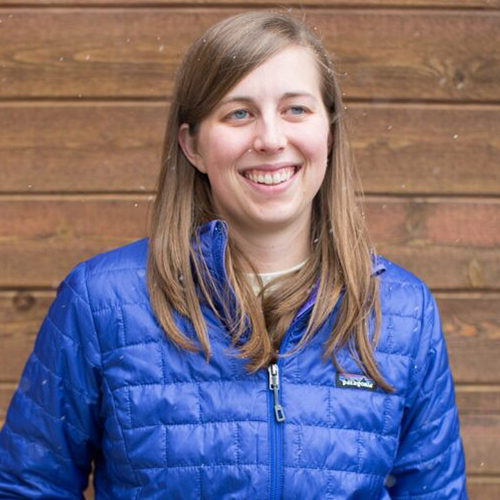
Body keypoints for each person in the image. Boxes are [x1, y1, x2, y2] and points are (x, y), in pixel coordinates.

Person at [0, 11, 467, 499]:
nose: (270, 139)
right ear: (193, 145)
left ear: (329, 132)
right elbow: (29, 487)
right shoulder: (101, 302)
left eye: (296, 110)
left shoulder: (401, 312)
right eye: (238, 113)